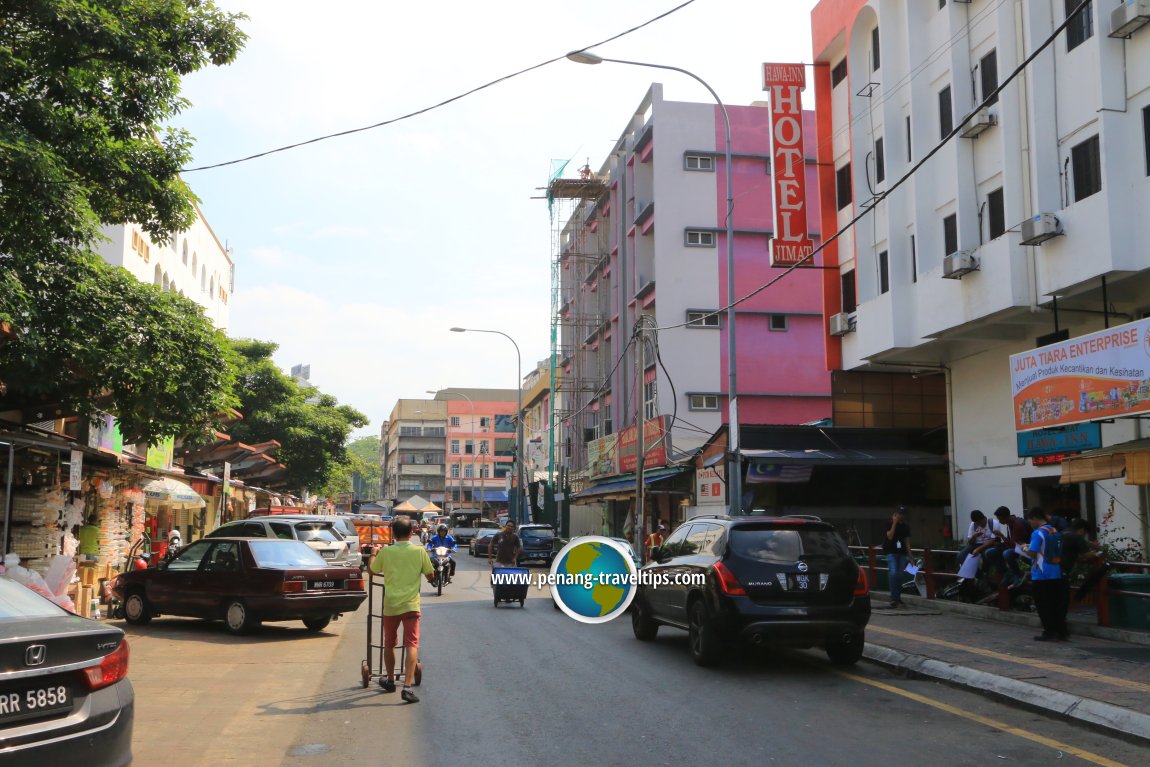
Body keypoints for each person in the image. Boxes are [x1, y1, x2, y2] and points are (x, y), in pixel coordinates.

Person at [369, 517, 435, 703]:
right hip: (411, 605)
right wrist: (430, 578)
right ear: (412, 533)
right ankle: (406, 687)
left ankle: (390, 680)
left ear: (393, 534)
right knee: (411, 644)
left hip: (391, 605)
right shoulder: (419, 551)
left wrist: (374, 553)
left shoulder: (386, 552)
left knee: (389, 643)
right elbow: (430, 575)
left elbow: (373, 570)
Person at [1022, 507, 1068, 642]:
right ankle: (1061, 631)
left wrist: (1024, 547)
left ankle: (1049, 632)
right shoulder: (1054, 531)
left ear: (1035, 519)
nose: (1030, 523)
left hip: (1041, 574)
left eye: (1030, 521)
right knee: (1056, 604)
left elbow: (1032, 552)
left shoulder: (1037, 533)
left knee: (1044, 605)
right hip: (1056, 571)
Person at [882, 506, 912, 608]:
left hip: (902, 553)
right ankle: (893, 598)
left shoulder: (906, 526)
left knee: (900, 575)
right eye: (899, 513)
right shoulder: (889, 523)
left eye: (903, 514)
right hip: (891, 552)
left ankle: (897, 598)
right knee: (893, 573)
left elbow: (907, 542)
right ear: (895, 514)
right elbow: (890, 536)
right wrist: (894, 523)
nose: (901, 516)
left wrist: (911, 557)